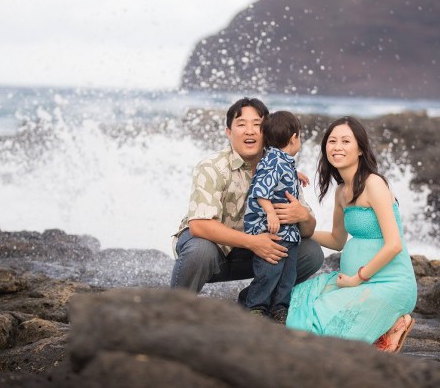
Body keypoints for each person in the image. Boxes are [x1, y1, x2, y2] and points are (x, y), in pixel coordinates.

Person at [286, 116, 418, 353]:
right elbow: (337, 241)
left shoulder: (373, 184)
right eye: (332, 141)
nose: (337, 147)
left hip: (388, 284)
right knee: (300, 300)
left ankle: (395, 321)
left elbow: (394, 245)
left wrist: (359, 277)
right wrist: (299, 226)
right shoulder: (341, 192)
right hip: (354, 282)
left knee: (323, 332)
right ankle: (387, 327)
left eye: (346, 141)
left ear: (360, 149)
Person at [169, 97, 323, 300]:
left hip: (258, 256)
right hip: (215, 252)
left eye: (257, 125)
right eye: (241, 124)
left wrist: (303, 216)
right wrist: (252, 242)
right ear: (229, 132)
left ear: (267, 132)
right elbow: (199, 226)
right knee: (200, 250)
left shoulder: (283, 167)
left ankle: (253, 304)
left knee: (311, 252)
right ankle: (176, 305)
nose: (250, 131)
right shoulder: (212, 166)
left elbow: (308, 230)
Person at [243, 111, 303, 323]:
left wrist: (295, 175)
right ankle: (256, 306)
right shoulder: (273, 162)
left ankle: (279, 308)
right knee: (269, 271)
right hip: (271, 231)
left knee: (288, 275)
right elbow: (260, 189)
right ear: (294, 138)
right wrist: (270, 213)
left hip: (288, 232)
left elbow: (276, 179)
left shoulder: (282, 162)